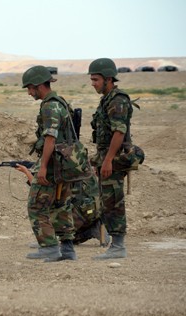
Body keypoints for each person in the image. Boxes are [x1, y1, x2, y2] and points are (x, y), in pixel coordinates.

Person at [21, 65, 76, 262]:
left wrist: (42, 167)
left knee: (36, 205)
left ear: (37, 85)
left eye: (29, 88)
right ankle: (68, 249)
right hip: (66, 163)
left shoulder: (50, 106)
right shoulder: (60, 103)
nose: (28, 92)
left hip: (54, 165)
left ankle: (50, 248)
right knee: (61, 205)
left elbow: (50, 138)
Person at [88, 58, 134, 259]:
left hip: (113, 158)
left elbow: (119, 132)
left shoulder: (117, 100)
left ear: (108, 79)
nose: (93, 84)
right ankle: (115, 245)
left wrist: (108, 160)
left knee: (114, 200)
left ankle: (118, 247)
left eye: (96, 79)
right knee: (107, 200)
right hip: (106, 157)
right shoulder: (107, 99)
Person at [15, 164, 108, 246]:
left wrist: (26, 172)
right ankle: (91, 229)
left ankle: (48, 241)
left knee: (42, 206)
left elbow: (40, 190)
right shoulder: (85, 168)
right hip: (94, 213)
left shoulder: (60, 171)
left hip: (78, 216)